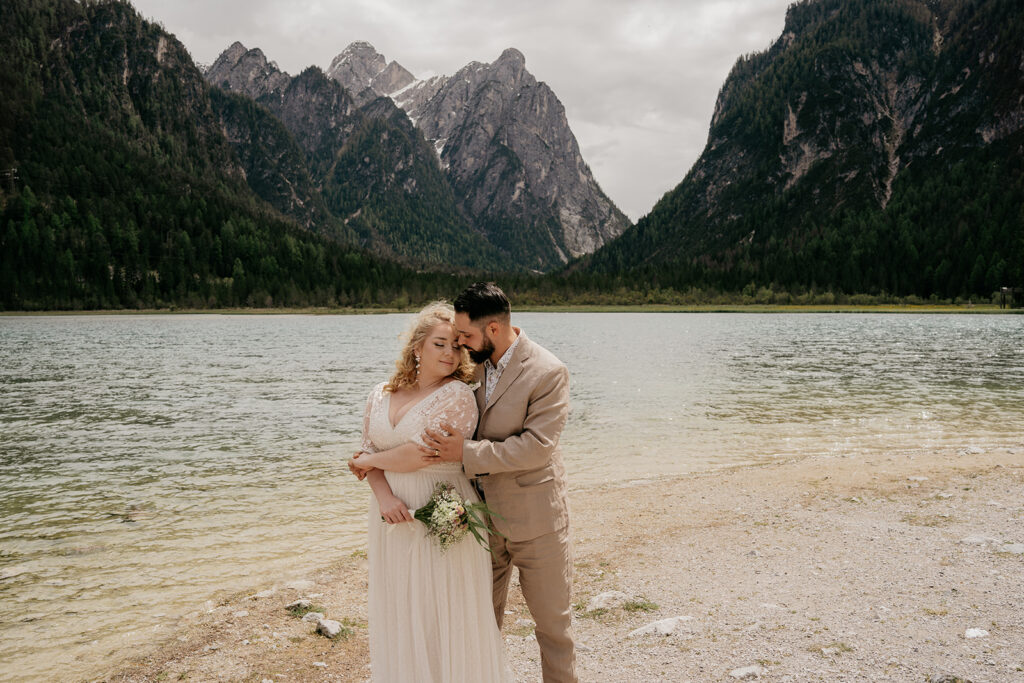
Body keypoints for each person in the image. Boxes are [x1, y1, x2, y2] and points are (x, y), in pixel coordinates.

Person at [421, 282, 577, 683]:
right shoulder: (472, 365)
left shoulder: (548, 372)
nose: (459, 344)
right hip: (479, 523)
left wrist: (465, 454)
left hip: (537, 523)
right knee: (479, 625)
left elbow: (537, 447)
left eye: (465, 336)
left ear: (493, 329)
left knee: (553, 630)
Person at [348, 301, 510, 683]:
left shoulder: (457, 396)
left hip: (441, 509)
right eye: (440, 344)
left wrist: (367, 463)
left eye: (457, 344)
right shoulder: (379, 393)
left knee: (443, 609)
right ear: (417, 347)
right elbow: (366, 452)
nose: (451, 353)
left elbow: (417, 455)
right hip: (392, 513)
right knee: (401, 606)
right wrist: (384, 496)